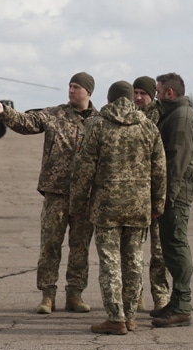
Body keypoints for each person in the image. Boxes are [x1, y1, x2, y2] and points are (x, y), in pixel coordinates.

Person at [0, 72, 97, 314]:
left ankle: (75, 295)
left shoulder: (99, 121)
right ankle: (48, 296)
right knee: (50, 246)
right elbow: (27, 122)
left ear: (88, 92)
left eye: (76, 87)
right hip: (55, 192)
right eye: (69, 86)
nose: (70, 90)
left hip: (85, 196)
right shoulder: (54, 115)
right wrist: (4, 111)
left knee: (80, 248)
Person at [70, 81, 166, 335]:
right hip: (139, 206)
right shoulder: (148, 126)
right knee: (134, 260)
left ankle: (116, 317)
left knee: (110, 262)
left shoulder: (98, 124)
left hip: (106, 206)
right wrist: (158, 204)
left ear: (110, 100)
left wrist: (78, 202)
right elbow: (160, 170)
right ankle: (131, 316)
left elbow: (84, 167)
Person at [150, 72, 193, 328]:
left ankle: (182, 306)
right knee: (170, 247)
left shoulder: (181, 118)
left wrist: (165, 200)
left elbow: (176, 165)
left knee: (177, 246)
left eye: (158, 92)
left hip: (176, 194)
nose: (156, 97)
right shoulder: (172, 114)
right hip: (172, 192)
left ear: (170, 93)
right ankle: (176, 302)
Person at [132, 76, 170, 312]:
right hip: (133, 196)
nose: (138, 98)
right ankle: (135, 295)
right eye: (135, 93)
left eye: (142, 93)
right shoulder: (128, 117)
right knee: (133, 251)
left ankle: (161, 296)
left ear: (152, 95)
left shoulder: (162, 117)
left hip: (156, 194)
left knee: (159, 252)